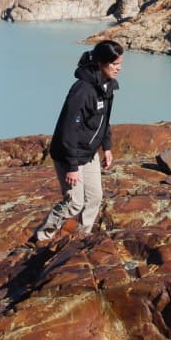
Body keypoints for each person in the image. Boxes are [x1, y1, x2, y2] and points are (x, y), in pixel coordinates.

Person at [31, 40, 123, 244]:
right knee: (74, 203)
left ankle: (82, 237)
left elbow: (104, 120)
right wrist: (72, 166)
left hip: (88, 153)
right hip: (68, 155)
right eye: (115, 64)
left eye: (120, 63)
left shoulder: (106, 86)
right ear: (101, 63)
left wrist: (106, 147)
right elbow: (68, 129)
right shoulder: (83, 90)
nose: (119, 68)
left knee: (95, 198)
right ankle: (41, 237)